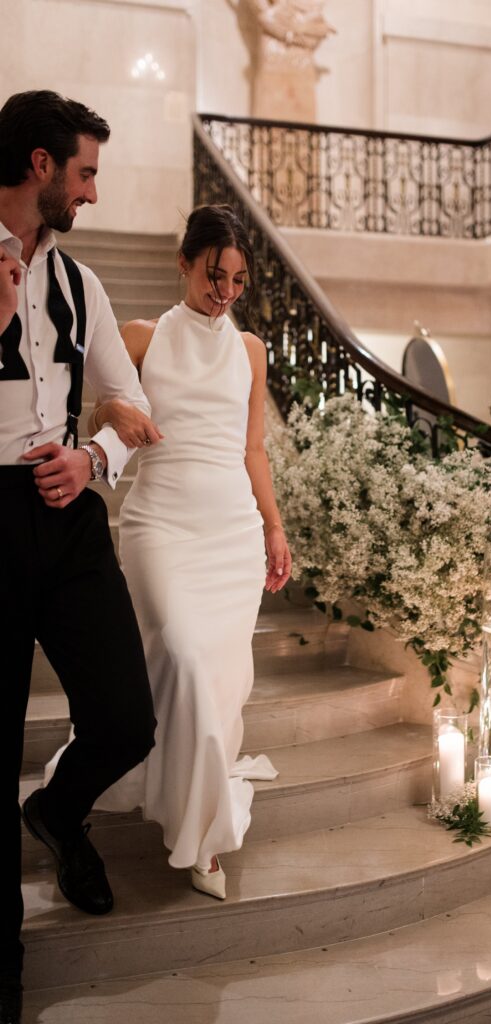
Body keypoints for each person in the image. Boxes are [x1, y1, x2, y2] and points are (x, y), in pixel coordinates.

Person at [70, 203, 292, 900]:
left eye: (237, 280)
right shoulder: (141, 338)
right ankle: (191, 818)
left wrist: (274, 527)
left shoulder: (251, 350)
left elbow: (253, 449)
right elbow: (97, 412)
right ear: (184, 264)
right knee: (185, 656)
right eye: (212, 276)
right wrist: (115, 414)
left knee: (214, 678)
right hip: (161, 525)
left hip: (231, 533)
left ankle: (202, 833)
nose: (224, 292)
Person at [0, 90, 157, 1024]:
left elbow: (132, 403)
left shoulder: (81, 284)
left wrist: (93, 456)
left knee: (128, 718)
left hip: (66, 517)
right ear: (40, 165)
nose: (92, 192)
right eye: (85, 172)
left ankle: (58, 812)